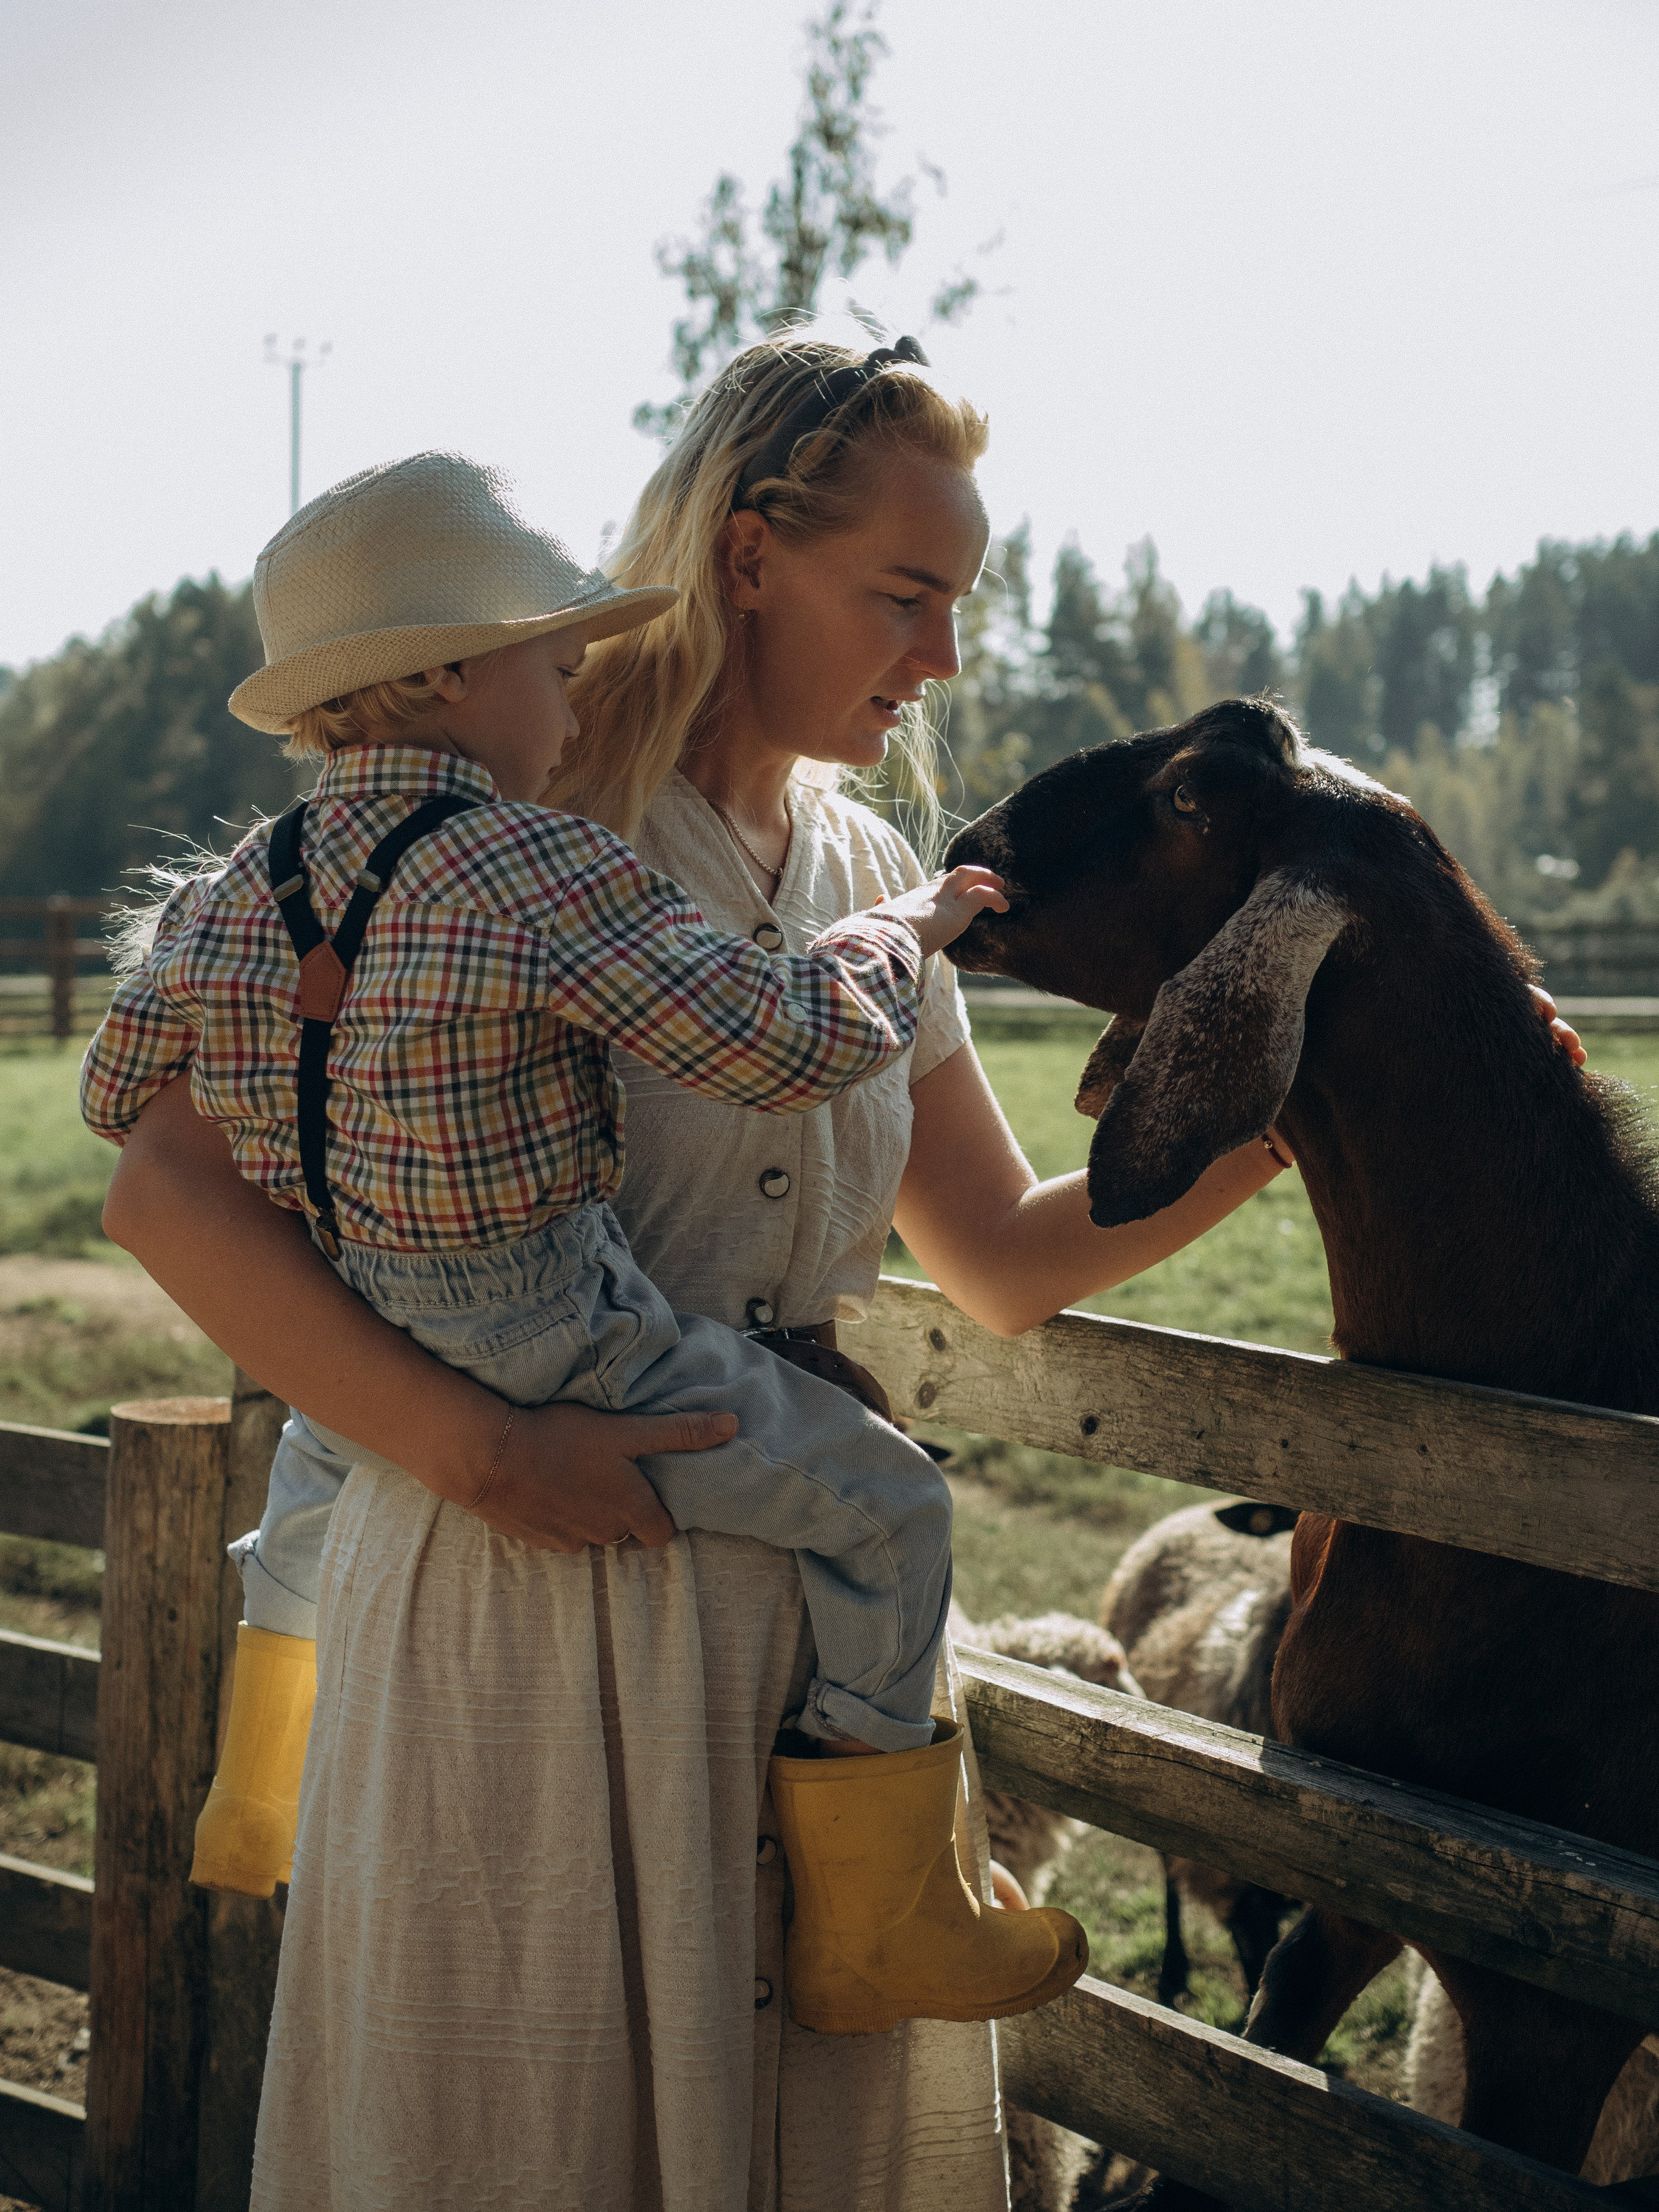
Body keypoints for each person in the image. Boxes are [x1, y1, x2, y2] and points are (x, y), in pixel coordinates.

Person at [105, 331, 1576, 2209]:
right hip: (531, 1590)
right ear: (746, 556)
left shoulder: (878, 871)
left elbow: (1007, 1257)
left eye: (957, 602)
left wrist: (1298, 1117)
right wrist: (477, 1450)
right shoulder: (490, 823)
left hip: (811, 1625)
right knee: (538, 2130)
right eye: (905, 593)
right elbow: (165, 1190)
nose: (943, 655)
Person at [83, 445, 1091, 2044]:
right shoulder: (544, 857)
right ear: (459, 675)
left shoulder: (237, 887)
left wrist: (312, 1075)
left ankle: (258, 1792)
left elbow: (111, 1088)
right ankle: (884, 1915)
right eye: (554, 663)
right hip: (554, 1377)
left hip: (375, 1317)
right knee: (892, 1507)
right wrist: (898, 940)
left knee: (313, 1479)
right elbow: (777, 1041)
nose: (572, 696)